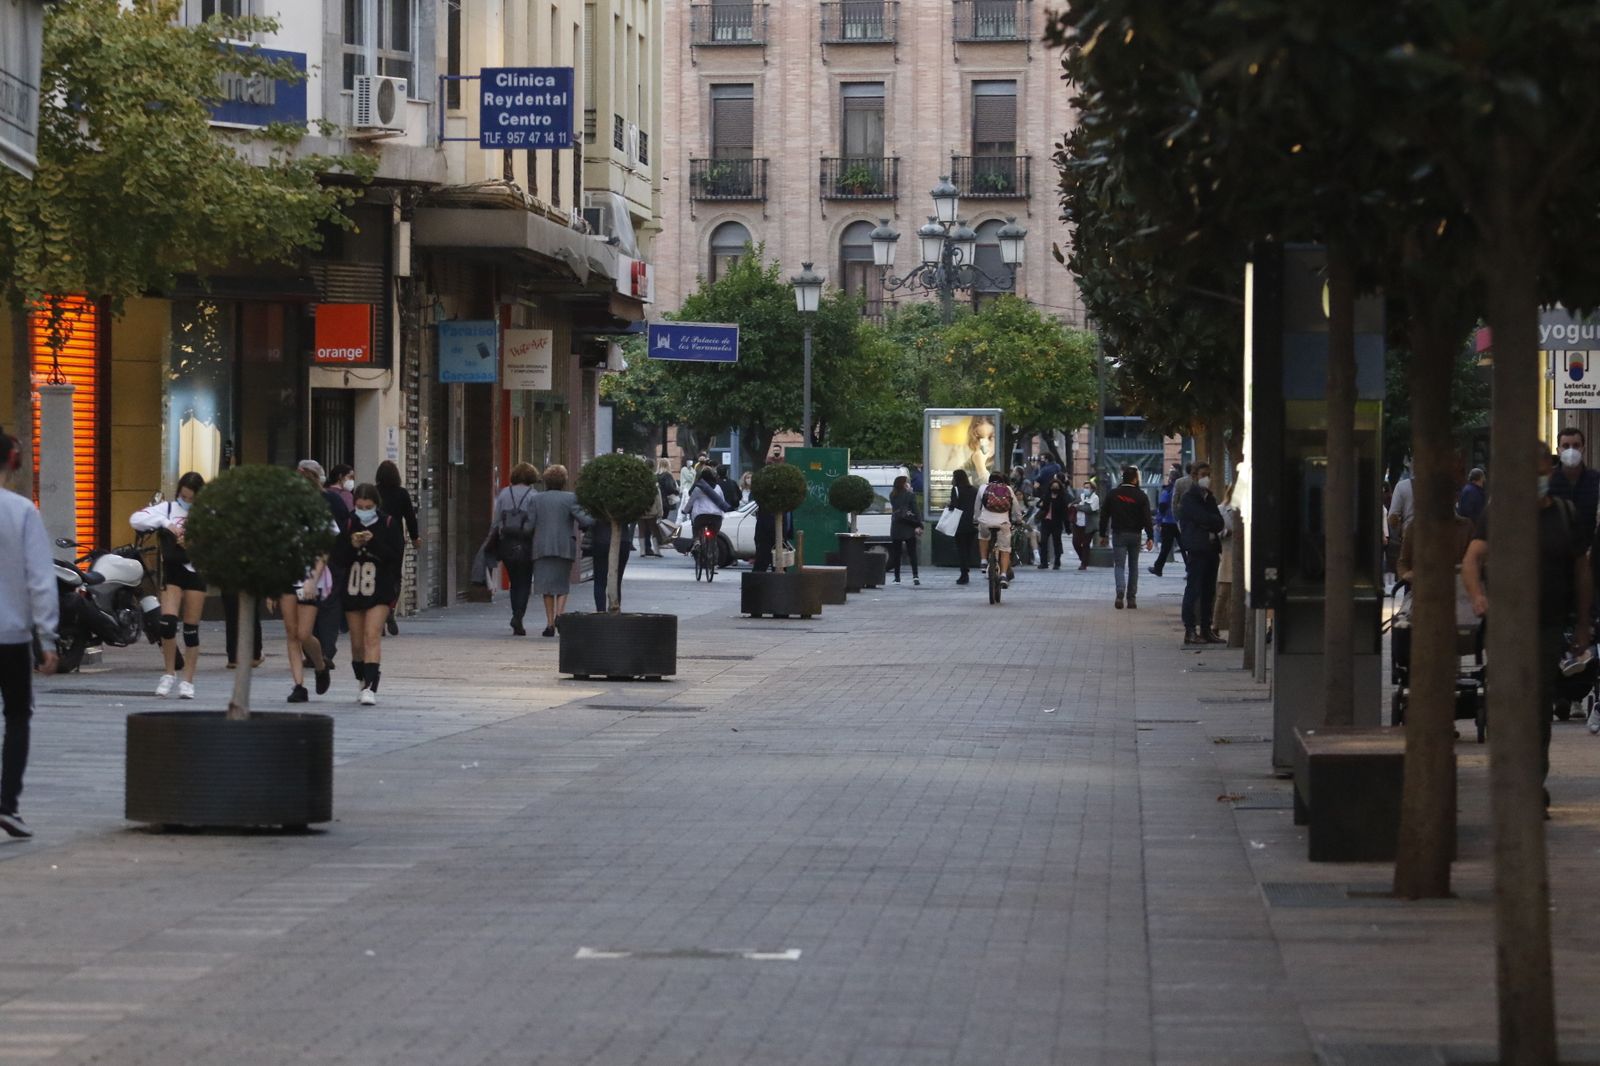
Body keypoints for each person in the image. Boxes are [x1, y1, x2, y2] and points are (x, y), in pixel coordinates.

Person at [1462, 445, 1592, 798]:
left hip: (1548, 626)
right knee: (1507, 702)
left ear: (1550, 472)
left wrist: (1583, 624)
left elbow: (1582, 571)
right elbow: (1472, 559)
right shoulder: (1500, 513)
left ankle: (1533, 783)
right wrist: (1478, 597)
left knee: (1539, 706)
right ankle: (1510, 780)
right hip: (1505, 626)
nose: (1536, 480)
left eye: (1541, 472)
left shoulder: (1566, 515)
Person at [0, 427, 58, 839]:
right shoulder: (21, 512)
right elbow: (40, 579)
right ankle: (7, 803)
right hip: (11, 635)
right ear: (12, 461)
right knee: (17, 715)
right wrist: (48, 639)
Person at [130, 472, 208, 699]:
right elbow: (136, 519)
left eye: (192, 498)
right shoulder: (167, 509)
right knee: (167, 623)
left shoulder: (206, 514)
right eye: (184, 497)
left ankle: (188, 681)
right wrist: (166, 524)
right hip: (172, 571)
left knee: (191, 630)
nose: (187, 502)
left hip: (195, 571)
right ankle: (169, 673)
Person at [331, 483, 405, 705]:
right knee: (356, 642)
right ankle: (362, 678)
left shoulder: (389, 524)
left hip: (379, 588)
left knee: (371, 635)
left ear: (376, 505)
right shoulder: (348, 523)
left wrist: (373, 543)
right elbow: (338, 558)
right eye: (360, 506)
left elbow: (395, 557)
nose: (364, 510)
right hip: (354, 588)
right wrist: (352, 544)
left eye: (368, 506)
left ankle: (371, 687)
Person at [529, 464, 592, 637]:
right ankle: (560, 616)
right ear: (564, 481)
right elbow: (585, 520)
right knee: (562, 584)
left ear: (546, 481)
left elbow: (529, 524)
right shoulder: (571, 498)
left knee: (546, 586)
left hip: (541, 546)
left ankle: (549, 623)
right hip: (564, 546)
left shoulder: (536, 499)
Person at [297, 460, 348, 668]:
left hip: (328, 561)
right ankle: (321, 651)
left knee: (320, 608)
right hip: (324, 562)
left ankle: (320, 652)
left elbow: (342, 528)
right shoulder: (332, 499)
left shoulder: (327, 501)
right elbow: (346, 525)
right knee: (326, 607)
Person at [268, 551, 333, 703]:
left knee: (304, 634)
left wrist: (313, 579)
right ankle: (299, 686)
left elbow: (324, 551)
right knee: (291, 633)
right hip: (286, 580)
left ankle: (320, 666)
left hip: (309, 581)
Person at [1179, 462, 1226, 645]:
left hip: (1212, 549)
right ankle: (1190, 630)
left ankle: (1206, 629)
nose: (1207, 478)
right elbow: (1203, 518)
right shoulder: (1189, 498)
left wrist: (1209, 522)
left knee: (1209, 591)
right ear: (1194, 476)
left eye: (1209, 474)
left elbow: (1218, 523)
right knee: (1194, 589)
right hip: (1198, 549)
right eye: (1203, 474)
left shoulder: (1210, 498)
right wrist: (1209, 521)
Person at [492, 463, 540, 635]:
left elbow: (496, 519)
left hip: (507, 543)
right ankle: (519, 616)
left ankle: (515, 613)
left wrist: (494, 538)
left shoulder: (504, 493)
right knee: (525, 582)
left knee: (514, 582)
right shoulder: (534, 496)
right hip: (526, 543)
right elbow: (536, 521)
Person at [1099, 465, 1155, 609]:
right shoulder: (1141, 496)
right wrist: (1150, 536)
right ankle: (1131, 598)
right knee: (1133, 566)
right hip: (1135, 534)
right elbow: (1147, 518)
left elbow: (1104, 515)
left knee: (1119, 565)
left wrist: (1103, 534)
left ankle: (1120, 591)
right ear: (1135, 479)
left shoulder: (1113, 494)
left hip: (1119, 533)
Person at [374, 460, 419, 636]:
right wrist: (415, 538)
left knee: (378, 575)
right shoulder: (402, 494)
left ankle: (380, 612)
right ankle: (390, 609)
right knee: (395, 577)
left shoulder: (374, 492)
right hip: (396, 540)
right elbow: (410, 517)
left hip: (377, 539)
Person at [1550, 427, 1599, 551]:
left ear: (1583, 449)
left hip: (1589, 552)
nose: (1571, 450)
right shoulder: (1548, 481)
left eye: (1576, 445)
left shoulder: (1595, 480)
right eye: (1566, 446)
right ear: (1558, 450)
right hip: (1555, 555)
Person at [975, 472, 1023, 590]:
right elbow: (1016, 508)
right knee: (1005, 549)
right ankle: (1003, 575)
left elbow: (977, 507)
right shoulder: (1008, 489)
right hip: (1003, 523)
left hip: (985, 522)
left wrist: (976, 520)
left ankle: (983, 561)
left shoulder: (983, 488)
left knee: (982, 534)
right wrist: (1019, 520)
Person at [685, 466, 731, 565]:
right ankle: (714, 562)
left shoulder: (698, 488)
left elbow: (690, 502)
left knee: (696, 528)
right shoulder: (718, 487)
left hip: (701, 516)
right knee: (713, 537)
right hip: (716, 517)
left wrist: (685, 511)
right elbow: (722, 501)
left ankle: (697, 541)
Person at [590, 514, 633, 612]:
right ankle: (614, 612)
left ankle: (601, 612)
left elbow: (587, 520)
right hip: (623, 539)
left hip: (601, 539)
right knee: (616, 581)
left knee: (600, 581)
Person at [1148, 467, 1185, 577]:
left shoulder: (1168, 490)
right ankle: (1189, 569)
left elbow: (1163, 505)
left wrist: (1158, 521)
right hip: (1179, 522)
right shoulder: (1182, 490)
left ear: (1170, 479)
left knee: (1165, 547)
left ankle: (1158, 568)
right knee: (1184, 546)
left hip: (1168, 522)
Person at [946, 468, 979, 584]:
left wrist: (949, 505)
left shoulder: (956, 490)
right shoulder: (974, 490)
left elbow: (954, 506)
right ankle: (967, 570)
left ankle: (964, 574)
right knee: (968, 549)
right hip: (972, 523)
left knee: (961, 549)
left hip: (959, 524)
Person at [888, 475, 923, 585]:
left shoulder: (892, 495)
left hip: (896, 526)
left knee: (896, 554)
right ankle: (915, 576)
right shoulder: (910, 495)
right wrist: (919, 525)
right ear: (904, 484)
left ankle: (897, 578)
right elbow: (916, 511)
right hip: (908, 526)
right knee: (912, 553)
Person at [1035, 477, 1069, 570]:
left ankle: (1057, 562)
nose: (1054, 488)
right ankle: (1044, 562)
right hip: (1046, 521)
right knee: (1043, 542)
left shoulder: (1062, 498)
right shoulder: (1046, 495)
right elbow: (1038, 504)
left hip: (1056, 523)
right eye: (1053, 486)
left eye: (1056, 487)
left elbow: (1065, 512)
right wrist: (1042, 504)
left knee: (1057, 542)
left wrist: (1067, 526)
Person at [958, 416, 997, 484]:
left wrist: (980, 467)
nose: (985, 444)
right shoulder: (974, 459)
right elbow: (956, 478)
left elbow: (990, 490)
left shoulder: (997, 462)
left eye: (991, 437)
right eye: (979, 438)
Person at [1069, 480, 1098, 570]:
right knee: (1076, 543)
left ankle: (1084, 563)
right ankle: (1084, 558)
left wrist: (1078, 507)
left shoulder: (1095, 498)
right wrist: (1074, 505)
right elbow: (1072, 504)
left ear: (1092, 489)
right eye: (1084, 487)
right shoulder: (1081, 496)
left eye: (1087, 488)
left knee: (1086, 544)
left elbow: (1089, 509)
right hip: (1078, 523)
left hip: (1088, 525)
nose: (1085, 489)